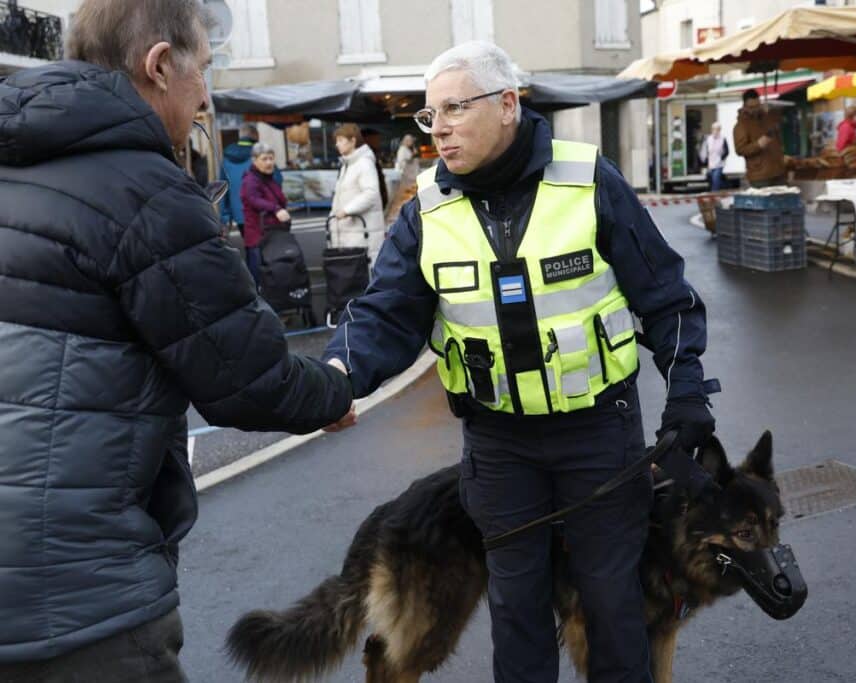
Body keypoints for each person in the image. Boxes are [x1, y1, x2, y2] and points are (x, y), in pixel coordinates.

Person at [322, 41, 721, 683]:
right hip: (500, 446)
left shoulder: (589, 181)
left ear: (507, 104)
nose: (440, 126)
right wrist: (338, 374)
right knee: (518, 612)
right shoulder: (427, 210)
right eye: (430, 115)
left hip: (598, 433)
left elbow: (667, 298)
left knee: (613, 605)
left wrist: (689, 390)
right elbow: (385, 313)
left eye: (455, 107)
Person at [0, 0, 354, 679]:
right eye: (205, 71)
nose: (205, 97)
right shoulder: (148, 192)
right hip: (79, 600)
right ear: (160, 66)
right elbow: (249, 377)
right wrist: (334, 389)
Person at [330, 123, 387, 266]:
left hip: (360, 231)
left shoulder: (363, 163)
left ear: (353, 141)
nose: (337, 145)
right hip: (353, 230)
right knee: (354, 275)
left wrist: (347, 210)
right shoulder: (348, 164)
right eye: (337, 141)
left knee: (361, 273)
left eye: (341, 140)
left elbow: (371, 193)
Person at [219, 123, 282, 237]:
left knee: (250, 245)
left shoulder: (226, 159)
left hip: (238, 214)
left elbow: (222, 189)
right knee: (266, 247)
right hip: (261, 211)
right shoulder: (261, 155)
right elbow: (277, 180)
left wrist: (225, 216)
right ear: (256, 136)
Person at [241, 143, 291, 286]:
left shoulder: (267, 177)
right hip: (258, 237)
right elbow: (253, 199)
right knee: (258, 278)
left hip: (270, 235)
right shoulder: (251, 179)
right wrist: (276, 208)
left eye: (271, 158)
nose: (269, 162)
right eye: (264, 159)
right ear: (254, 160)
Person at [733, 89, 787, 187]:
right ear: (744, 106)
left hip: (779, 171)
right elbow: (740, 150)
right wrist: (758, 145)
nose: (755, 109)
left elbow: (778, 138)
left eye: (757, 105)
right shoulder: (741, 125)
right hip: (759, 176)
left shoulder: (767, 117)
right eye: (751, 107)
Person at [698, 121, 729, 191]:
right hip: (710, 164)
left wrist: (722, 158)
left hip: (719, 164)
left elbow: (727, 151)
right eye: (714, 129)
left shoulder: (723, 139)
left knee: (715, 179)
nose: (715, 131)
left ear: (720, 130)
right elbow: (704, 150)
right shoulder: (708, 139)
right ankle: (725, 186)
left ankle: (714, 193)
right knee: (711, 180)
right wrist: (704, 161)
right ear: (712, 129)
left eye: (717, 129)